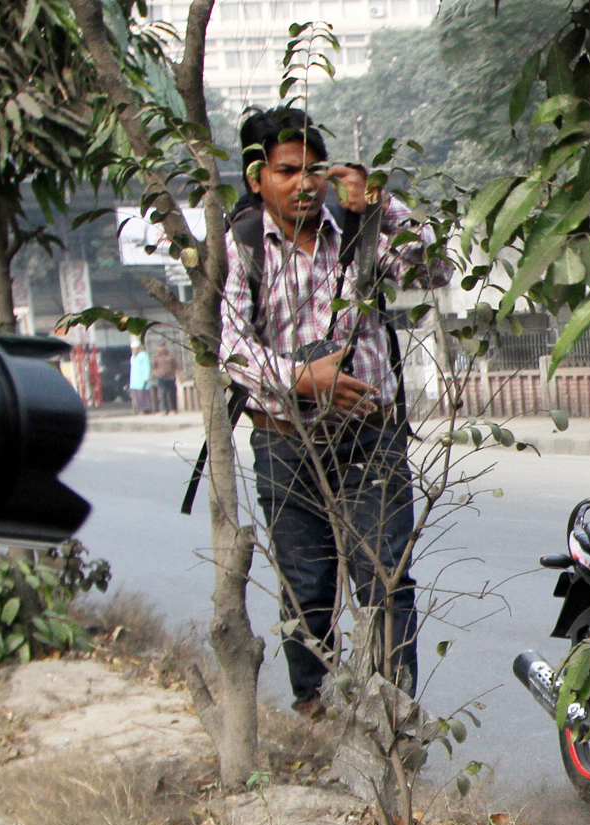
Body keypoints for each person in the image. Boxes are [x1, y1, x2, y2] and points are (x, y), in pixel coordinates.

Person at [218, 104, 449, 715]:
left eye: (314, 169)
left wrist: (381, 204)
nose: (305, 183)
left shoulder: (357, 226)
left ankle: (391, 725)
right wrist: (302, 378)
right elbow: (232, 348)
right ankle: (315, 715)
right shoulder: (242, 247)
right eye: (287, 171)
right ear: (257, 179)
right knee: (306, 587)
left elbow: (434, 270)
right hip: (284, 440)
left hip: (371, 437)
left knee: (386, 580)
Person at [150, 334, 180, 413]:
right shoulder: (156, 356)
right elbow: (153, 367)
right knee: (162, 394)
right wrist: (156, 373)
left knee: (172, 394)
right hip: (161, 377)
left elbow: (176, 366)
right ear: (158, 347)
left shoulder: (171, 355)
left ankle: (174, 409)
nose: (162, 347)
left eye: (163, 346)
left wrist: (178, 376)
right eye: (160, 346)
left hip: (171, 377)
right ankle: (164, 409)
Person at [129, 339, 154, 414]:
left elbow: (146, 367)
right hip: (135, 380)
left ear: (138, 348)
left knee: (144, 395)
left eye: (135, 348)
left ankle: (146, 409)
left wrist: (146, 378)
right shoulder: (133, 357)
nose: (134, 350)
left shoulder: (143, 355)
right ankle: (140, 409)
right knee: (138, 397)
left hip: (142, 380)